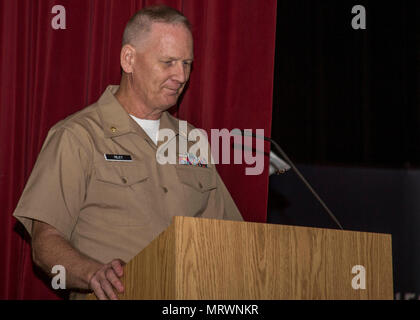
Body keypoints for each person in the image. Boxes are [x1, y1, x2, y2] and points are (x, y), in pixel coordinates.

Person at [13, 5, 243, 300]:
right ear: (129, 59)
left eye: (187, 63)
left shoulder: (191, 141)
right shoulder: (78, 137)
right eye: (168, 62)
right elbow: (46, 243)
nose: (181, 75)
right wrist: (92, 272)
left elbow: (229, 237)